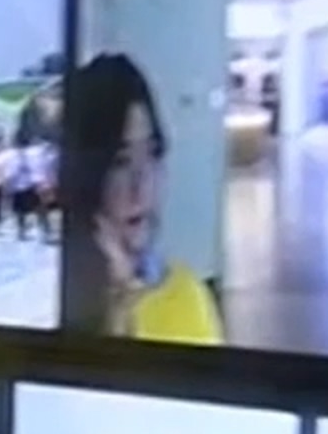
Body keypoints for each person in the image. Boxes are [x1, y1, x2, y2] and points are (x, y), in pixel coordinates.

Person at [60, 52, 223, 343]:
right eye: (120, 161)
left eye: (153, 154)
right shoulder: (47, 304)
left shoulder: (186, 293)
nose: (142, 185)